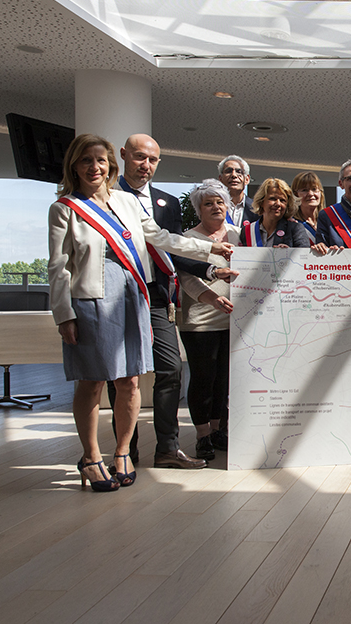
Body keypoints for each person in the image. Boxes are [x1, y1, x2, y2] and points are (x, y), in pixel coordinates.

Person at [48, 134, 231, 491]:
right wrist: (63, 314)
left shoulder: (127, 202)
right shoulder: (65, 208)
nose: (94, 167)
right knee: (92, 382)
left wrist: (209, 248)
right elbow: (58, 267)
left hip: (135, 296)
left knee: (130, 382)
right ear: (74, 165)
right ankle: (91, 457)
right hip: (91, 301)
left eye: (100, 161)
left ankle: (122, 455)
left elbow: (161, 238)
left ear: (110, 165)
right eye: (86, 160)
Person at [115, 133, 235, 470]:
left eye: (152, 159)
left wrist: (210, 264)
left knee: (171, 371)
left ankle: (167, 449)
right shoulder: (109, 197)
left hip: (158, 297)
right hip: (119, 295)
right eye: (139, 157)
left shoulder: (165, 203)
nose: (146, 165)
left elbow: (170, 247)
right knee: (122, 377)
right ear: (123, 155)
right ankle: (126, 451)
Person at [179, 179, 238, 460]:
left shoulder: (239, 234)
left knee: (223, 380)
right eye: (208, 203)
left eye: (220, 202)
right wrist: (211, 298)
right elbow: (187, 278)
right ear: (198, 209)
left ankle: (217, 430)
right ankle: (202, 435)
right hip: (200, 320)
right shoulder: (188, 238)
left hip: (234, 320)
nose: (216, 207)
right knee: (203, 378)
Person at [240, 178, 311, 247]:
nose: (278, 204)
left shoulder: (295, 229)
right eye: (272, 199)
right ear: (261, 201)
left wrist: (288, 252)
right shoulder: (247, 231)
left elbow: (304, 254)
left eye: (282, 200)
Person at [218, 155, 258, 226]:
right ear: (220, 179)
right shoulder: (212, 208)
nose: (234, 175)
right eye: (228, 171)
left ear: (247, 179)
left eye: (239, 172)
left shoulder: (257, 208)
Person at [291, 171, 325, 242]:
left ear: (320, 193)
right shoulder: (292, 223)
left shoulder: (327, 222)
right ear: (296, 195)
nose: (310, 194)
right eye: (304, 190)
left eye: (314, 189)